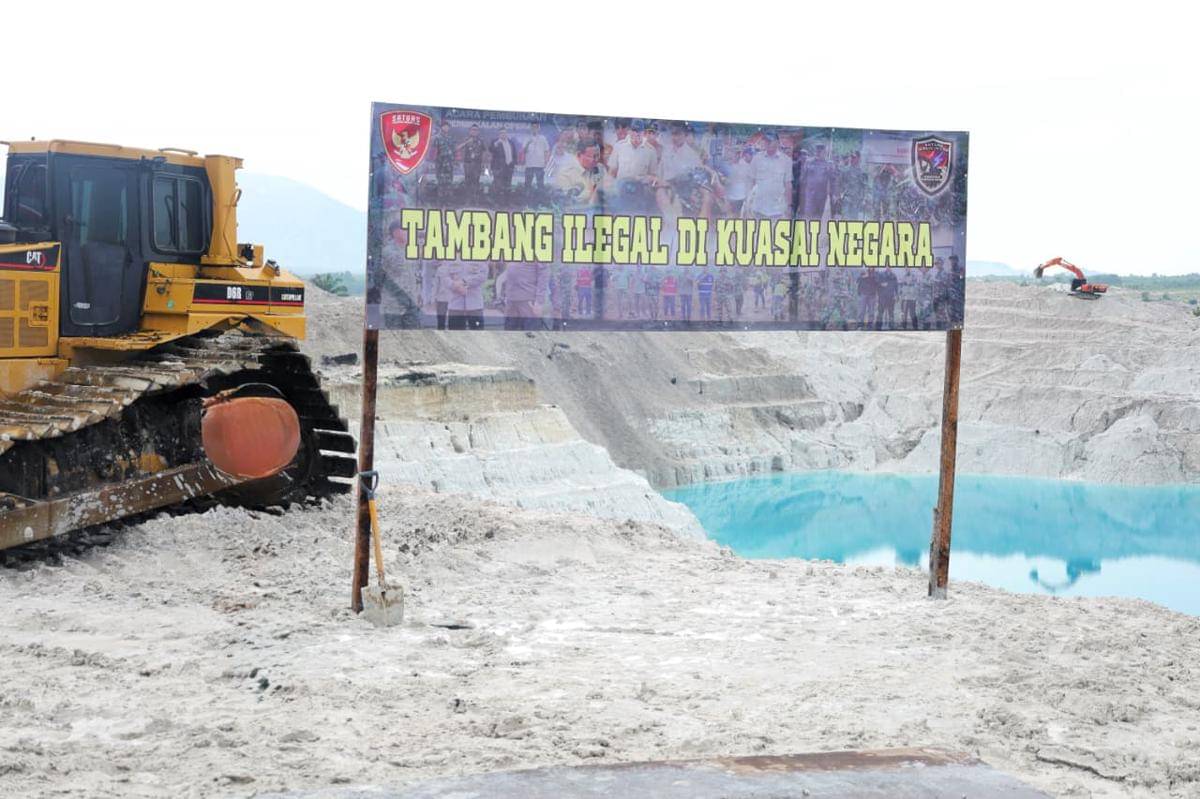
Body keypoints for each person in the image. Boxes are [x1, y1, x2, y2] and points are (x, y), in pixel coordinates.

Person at [607, 119, 658, 213]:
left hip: (640, 193)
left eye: (640, 131)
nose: (637, 134)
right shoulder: (619, 146)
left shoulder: (651, 151)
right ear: (629, 131)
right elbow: (612, 172)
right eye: (634, 130)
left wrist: (650, 181)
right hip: (620, 191)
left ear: (644, 132)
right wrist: (610, 189)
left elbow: (654, 176)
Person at [747, 131, 791, 219]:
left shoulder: (786, 160)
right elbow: (751, 181)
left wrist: (789, 206)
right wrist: (748, 202)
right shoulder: (757, 158)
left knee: (775, 232)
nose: (768, 143)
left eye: (770, 141)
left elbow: (788, 185)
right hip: (758, 208)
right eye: (766, 141)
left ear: (777, 143)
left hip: (777, 209)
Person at [501, 261, 550, 331]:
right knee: (509, 335)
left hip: (528, 301)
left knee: (531, 336)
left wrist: (539, 301)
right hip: (511, 300)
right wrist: (506, 295)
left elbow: (543, 275)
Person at [553, 141, 602, 207]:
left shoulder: (600, 168)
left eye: (598, 156)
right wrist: (593, 193)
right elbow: (568, 202)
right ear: (579, 155)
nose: (596, 160)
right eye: (592, 156)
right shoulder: (564, 173)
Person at [444, 261, 488, 329]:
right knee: (455, 335)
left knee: (477, 334)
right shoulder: (450, 256)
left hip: (474, 305)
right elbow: (444, 277)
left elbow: (483, 276)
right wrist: (455, 286)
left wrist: (464, 282)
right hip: (455, 305)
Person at [802, 143, 837, 219]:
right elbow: (803, 178)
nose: (818, 153)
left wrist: (833, 194)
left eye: (820, 151)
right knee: (808, 214)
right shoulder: (809, 162)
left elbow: (833, 181)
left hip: (821, 194)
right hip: (810, 194)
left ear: (824, 152)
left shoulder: (829, 164)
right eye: (817, 151)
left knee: (819, 215)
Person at [457, 125, 486, 201]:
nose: (474, 131)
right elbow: (457, 148)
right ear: (470, 131)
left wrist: (483, 163)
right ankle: (467, 200)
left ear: (478, 132)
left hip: (477, 164)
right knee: (468, 182)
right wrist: (466, 142)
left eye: (476, 130)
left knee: (476, 182)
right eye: (473, 130)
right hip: (468, 164)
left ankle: (475, 200)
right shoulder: (466, 139)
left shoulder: (481, 140)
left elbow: (484, 152)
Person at [489, 127, 517, 199]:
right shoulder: (495, 142)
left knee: (507, 186)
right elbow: (491, 149)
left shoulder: (511, 142)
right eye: (501, 133)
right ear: (499, 134)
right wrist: (497, 143)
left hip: (509, 168)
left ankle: (506, 202)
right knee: (498, 186)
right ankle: (497, 203)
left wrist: (513, 164)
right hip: (498, 168)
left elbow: (514, 154)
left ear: (506, 134)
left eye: (504, 133)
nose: (503, 134)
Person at [523, 121, 549, 194]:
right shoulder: (527, 138)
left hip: (540, 165)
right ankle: (526, 201)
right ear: (531, 128)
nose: (534, 129)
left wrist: (546, 162)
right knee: (527, 184)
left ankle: (540, 200)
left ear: (538, 128)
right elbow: (524, 151)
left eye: (536, 127)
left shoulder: (543, 138)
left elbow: (546, 150)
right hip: (529, 164)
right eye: (533, 127)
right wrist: (528, 143)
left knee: (540, 184)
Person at [726, 146, 753, 215]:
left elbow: (749, 182)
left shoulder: (746, 166)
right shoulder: (728, 166)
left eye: (738, 153)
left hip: (742, 197)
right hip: (732, 198)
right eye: (735, 153)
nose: (737, 155)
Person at [433, 120, 456, 200]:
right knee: (441, 183)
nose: (446, 128)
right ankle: (440, 202)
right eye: (444, 126)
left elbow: (454, 151)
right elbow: (434, 151)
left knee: (449, 183)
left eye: (447, 126)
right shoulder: (437, 138)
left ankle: (448, 201)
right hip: (440, 164)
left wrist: (453, 160)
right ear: (441, 127)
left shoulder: (451, 138)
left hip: (449, 164)